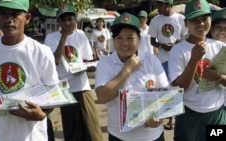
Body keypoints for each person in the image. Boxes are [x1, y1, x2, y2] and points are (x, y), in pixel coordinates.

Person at [0, 0, 60, 141]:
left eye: (14, 14)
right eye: (3, 13)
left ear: (27, 18)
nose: (8, 19)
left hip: (33, 136)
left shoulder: (42, 52)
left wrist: (43, 113)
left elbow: (53, 94)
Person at [95, 12, 169, 141]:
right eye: (119, 38)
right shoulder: (105, 63)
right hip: (119, 137)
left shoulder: (151, 60)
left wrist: (159, 118)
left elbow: (166, 94)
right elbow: (102, 97)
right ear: (113, 40)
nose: (124, 43)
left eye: (130, 38)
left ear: (139, 39)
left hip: (152, 136)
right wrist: (127, 69)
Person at [44, 4, 103, 141]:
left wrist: (90, 67)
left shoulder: (81, 36)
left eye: (70, 19)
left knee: (91, 126)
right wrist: (64, 36)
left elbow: (88, 59)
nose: (67, 22)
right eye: (63, 20)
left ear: (75, 20)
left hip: (82, 85)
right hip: (65, 88)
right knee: (72, 128)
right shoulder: (51, 38)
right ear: (58, 22)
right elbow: (55, 60)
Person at [168, 0, 226, 140]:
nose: (201, 24)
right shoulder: (178, 51)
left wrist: (218, 77)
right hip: (190, 115)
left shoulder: (220, 47)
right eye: (195, 20)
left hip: (216, 114)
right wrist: (194, 59)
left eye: (204, 19)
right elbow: (179, 87)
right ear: (185, 23)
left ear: (210, 20)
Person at [148, 0, 188, 130]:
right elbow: (152, 40)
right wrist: (161, 45)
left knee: (178, 88)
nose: (158, 7)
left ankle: (173, 119)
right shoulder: (155, 21)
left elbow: (187, 38)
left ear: (168, 5)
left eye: (160, 5)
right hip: (162, 60)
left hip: (178, 59)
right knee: (165, 89)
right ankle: (167, 115)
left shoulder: (181, 19)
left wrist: (178, 43)